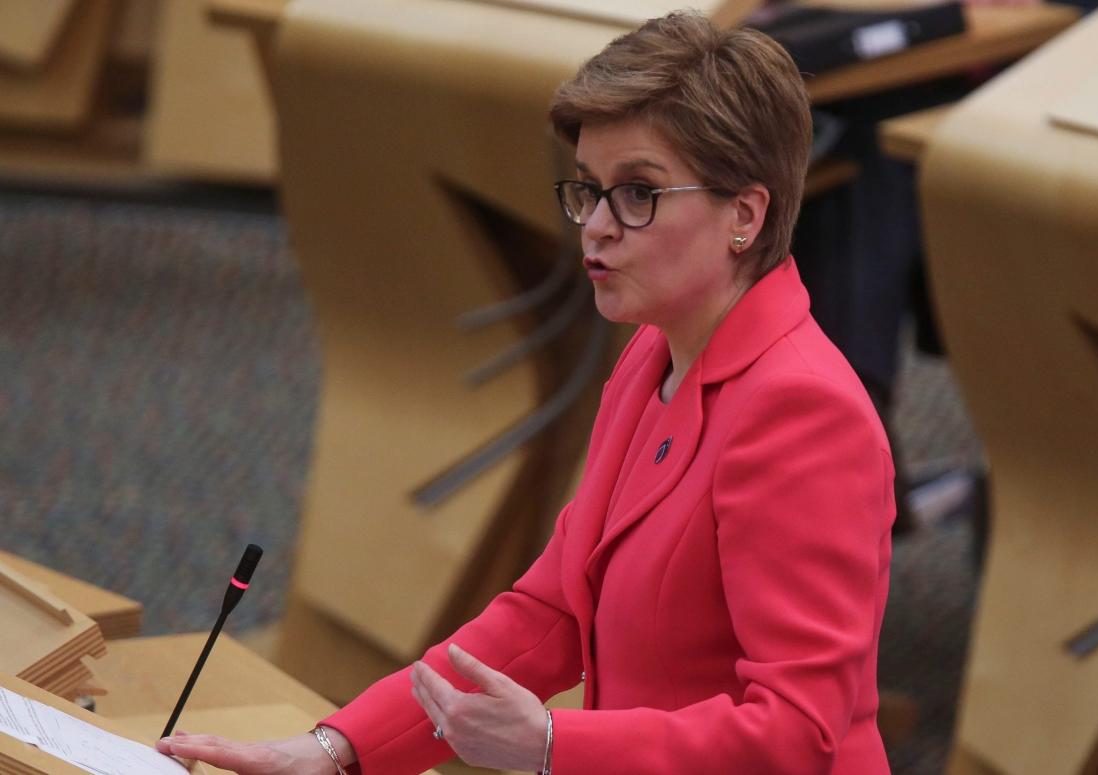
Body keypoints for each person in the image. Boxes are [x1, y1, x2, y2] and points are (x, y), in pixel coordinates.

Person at [158, 11, 895, 774]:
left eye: (637, 193)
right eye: (589, 189)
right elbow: (552, 612)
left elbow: (795, 733)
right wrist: (332, 750)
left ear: (745, 213)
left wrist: (551, 744)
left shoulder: (804, 413)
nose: (597, 227)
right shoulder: (652, 355)